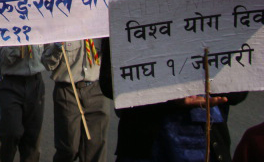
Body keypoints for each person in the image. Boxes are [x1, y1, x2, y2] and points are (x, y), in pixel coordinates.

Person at [99, 37, 247, 162]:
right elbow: (110, 84)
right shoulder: (128, 17)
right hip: (146, 144)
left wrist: (207, 85)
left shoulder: (223, 18)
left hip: (207, 146)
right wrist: (169, 96)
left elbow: (238, 92)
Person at [46, 39, 109, 162]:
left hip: (97, 89)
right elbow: (48, 63)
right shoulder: (58, 29)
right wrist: (57, 47)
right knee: (68, 148)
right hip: (68, 90)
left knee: (96, 148)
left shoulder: (100, 28)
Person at [0, 44, 50, 162]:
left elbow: (49, 58)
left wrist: (57, 48)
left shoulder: (39, 32)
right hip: (11, 83)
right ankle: (5, 155)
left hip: (35, 83)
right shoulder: (9, 32)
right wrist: (20, 43)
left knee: (32, 137)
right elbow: (6, 58)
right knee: (11, 132)